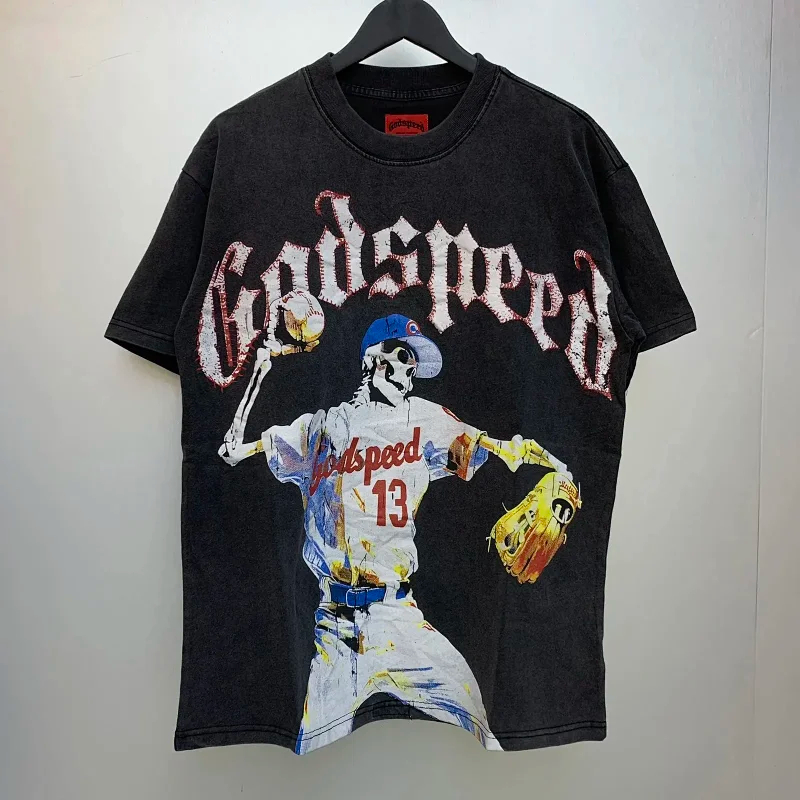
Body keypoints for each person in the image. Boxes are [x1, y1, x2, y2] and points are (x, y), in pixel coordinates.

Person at [219, 312, 570, 754]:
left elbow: (503, 449)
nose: (409, 370)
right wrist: (262, 365)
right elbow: (231, 451)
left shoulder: (423, 419)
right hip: (335, 631)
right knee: (308, 753)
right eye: (402, 356)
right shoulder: (319, 428)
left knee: (476, 713)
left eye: (414, 363)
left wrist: (558, 468)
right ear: (373, 357)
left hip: (397, 619)